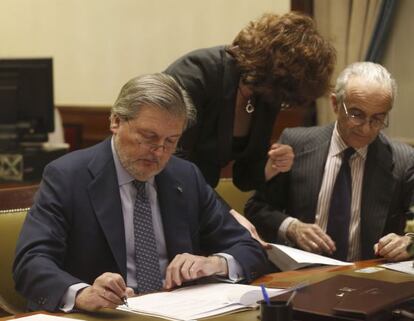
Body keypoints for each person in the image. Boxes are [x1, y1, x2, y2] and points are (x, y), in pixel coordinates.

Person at [13, 73, 272, 312]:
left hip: (176, 313)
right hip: (104, 317)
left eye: (171, 141)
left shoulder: (185, 176)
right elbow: (32, 262)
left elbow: (250, 248)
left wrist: (215, 263)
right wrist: (83, 293)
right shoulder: (68, 176)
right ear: (116, 121)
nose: (159, 152)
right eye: (149, 137)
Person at [165, 12, 336, 244]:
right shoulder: (196, 74)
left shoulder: (266, 93)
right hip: (163, 202)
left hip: (198, 208)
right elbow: (172, 164)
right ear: (272, 71)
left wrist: (270, 166)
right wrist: (227, 213)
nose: (281, 103)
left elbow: (244, 177)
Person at [245, 62, 414, 262]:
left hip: (370, 276)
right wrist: (291, 227)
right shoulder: (295, 144)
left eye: (378, 118)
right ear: (335, 104)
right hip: (303, 275)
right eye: (356, 115)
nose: (367, 129)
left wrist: (410, 244)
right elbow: (256, 209)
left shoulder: (403, 159)